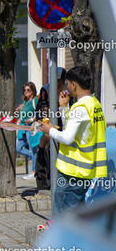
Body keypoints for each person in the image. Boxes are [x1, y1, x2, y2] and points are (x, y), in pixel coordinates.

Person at [40, 66, 107, 215]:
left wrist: (50, 130)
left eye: (68, 84)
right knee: (78, 216)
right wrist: (63, 107)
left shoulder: (80, 107)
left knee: (63, 215)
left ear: (74, 85)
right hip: (85, 170)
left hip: (72, 171)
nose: (66, 87)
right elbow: (75, 131)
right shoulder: (94, 104)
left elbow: (67, 138)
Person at [15, 82, 40, 179]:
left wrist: (31, 119)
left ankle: (33, 172)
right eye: (24, 90)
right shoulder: (25, 102)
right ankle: (35, 157)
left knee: (33, 148)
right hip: (22, 128)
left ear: (33, 91)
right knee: (18, 148)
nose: (26, 92)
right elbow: (21, 112)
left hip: (32, 127)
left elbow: (40, 113)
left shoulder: (35, 100)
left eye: (28, 90)